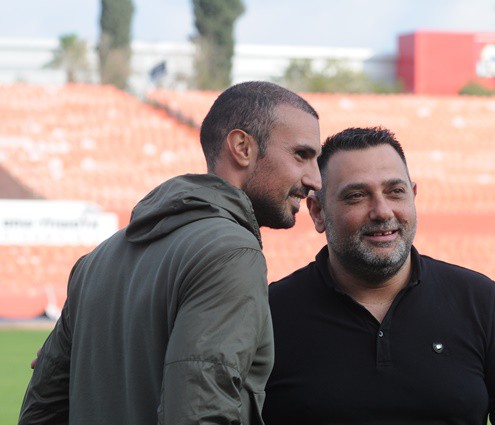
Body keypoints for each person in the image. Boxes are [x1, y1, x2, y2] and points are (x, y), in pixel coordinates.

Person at [19, 81, 322, 425]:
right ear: (242, 148)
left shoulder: (97, 260)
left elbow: (40, 411)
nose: (315, 180)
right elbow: (201, 413)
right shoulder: (232, 252)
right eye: (301, 155)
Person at [263, 127, 495, 425]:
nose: (382, 211)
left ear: (413, 197)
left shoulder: (480, 301)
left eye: (396, 192)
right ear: (317, 212)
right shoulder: (270, 314)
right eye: (356, 196)